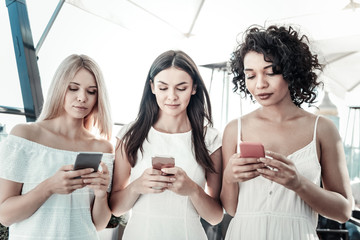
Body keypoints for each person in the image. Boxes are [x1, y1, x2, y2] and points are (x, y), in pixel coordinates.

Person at [220, 25, 353, 239]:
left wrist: (298, 184)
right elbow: (233, 209)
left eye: (271, 72)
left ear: (291, 71)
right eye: (251, 75)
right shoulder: (235, 130)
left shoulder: (322, 129)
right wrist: (228, 178)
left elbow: (343, 212)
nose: (260, 84)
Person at [110, 50, 223, 239]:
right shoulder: (130, 134)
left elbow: (216, 217)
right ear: (152, 87)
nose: (172, 97)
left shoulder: (209, 139)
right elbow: (115, 207)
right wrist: (137, 186)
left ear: (194, 88)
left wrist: (193, 190)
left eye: (181, 88)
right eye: (163, 88)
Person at [0, 54, 114, 239]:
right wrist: (49, 187)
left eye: (91, 91)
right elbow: (5, 216)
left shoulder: (102, 148)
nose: (82, 97)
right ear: (59, 87)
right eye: (73, 88)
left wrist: (101, 195)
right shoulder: (25, 136)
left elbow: (98, 225)